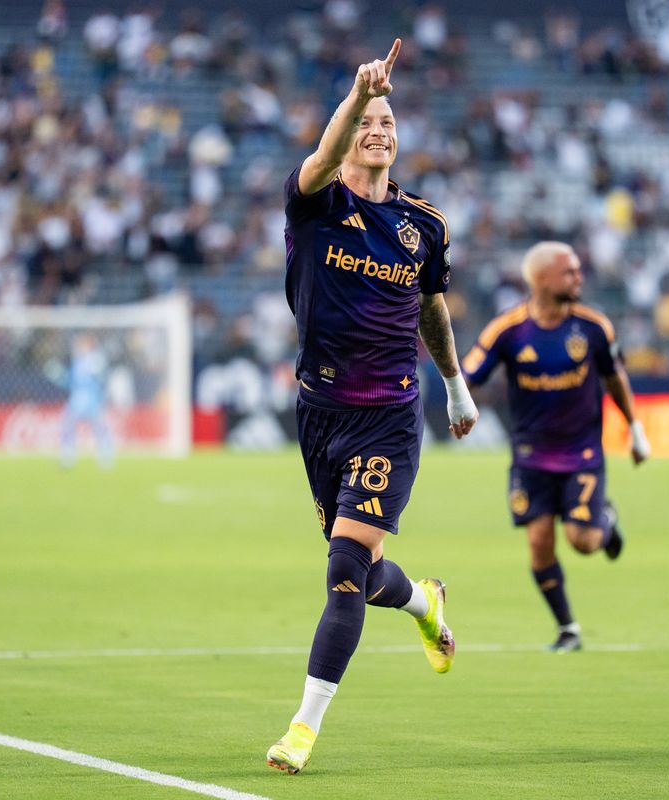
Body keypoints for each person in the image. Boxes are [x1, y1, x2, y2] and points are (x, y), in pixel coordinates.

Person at [266, 38, 478, 774]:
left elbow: (433, 309)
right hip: (320, 412)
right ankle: (424, 600)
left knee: (345, 571)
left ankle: (302, 728)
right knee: (361, 564)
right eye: (367, 121)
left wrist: (454, 383)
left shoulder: (426, 226)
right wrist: (357, 93)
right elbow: (321, 156)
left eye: (388, 119)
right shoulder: (317, 202)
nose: (379, 129)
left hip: (390, 414)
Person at [461, 241, 650, 652]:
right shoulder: (507, 330)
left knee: (582, 541)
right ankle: (568, 628)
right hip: (530, 456)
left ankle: (606, 520)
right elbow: (467, 373)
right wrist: (459, 401)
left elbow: (615, 378)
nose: (579, 277)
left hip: (581, 453)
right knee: (539, 542)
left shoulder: (593, 327)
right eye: (570, 271)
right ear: (542, 279)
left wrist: (635, 428)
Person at [59, 333, 114, 469]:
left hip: (91, 400)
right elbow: (71, 382)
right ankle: (68, 458)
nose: (78, 347)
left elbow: (100, 378)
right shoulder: (77, 361)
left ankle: (105, 458)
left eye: (81, 345)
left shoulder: (96, 360)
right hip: (77, 399)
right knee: (67, 427)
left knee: (100, 429)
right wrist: (59, 375)